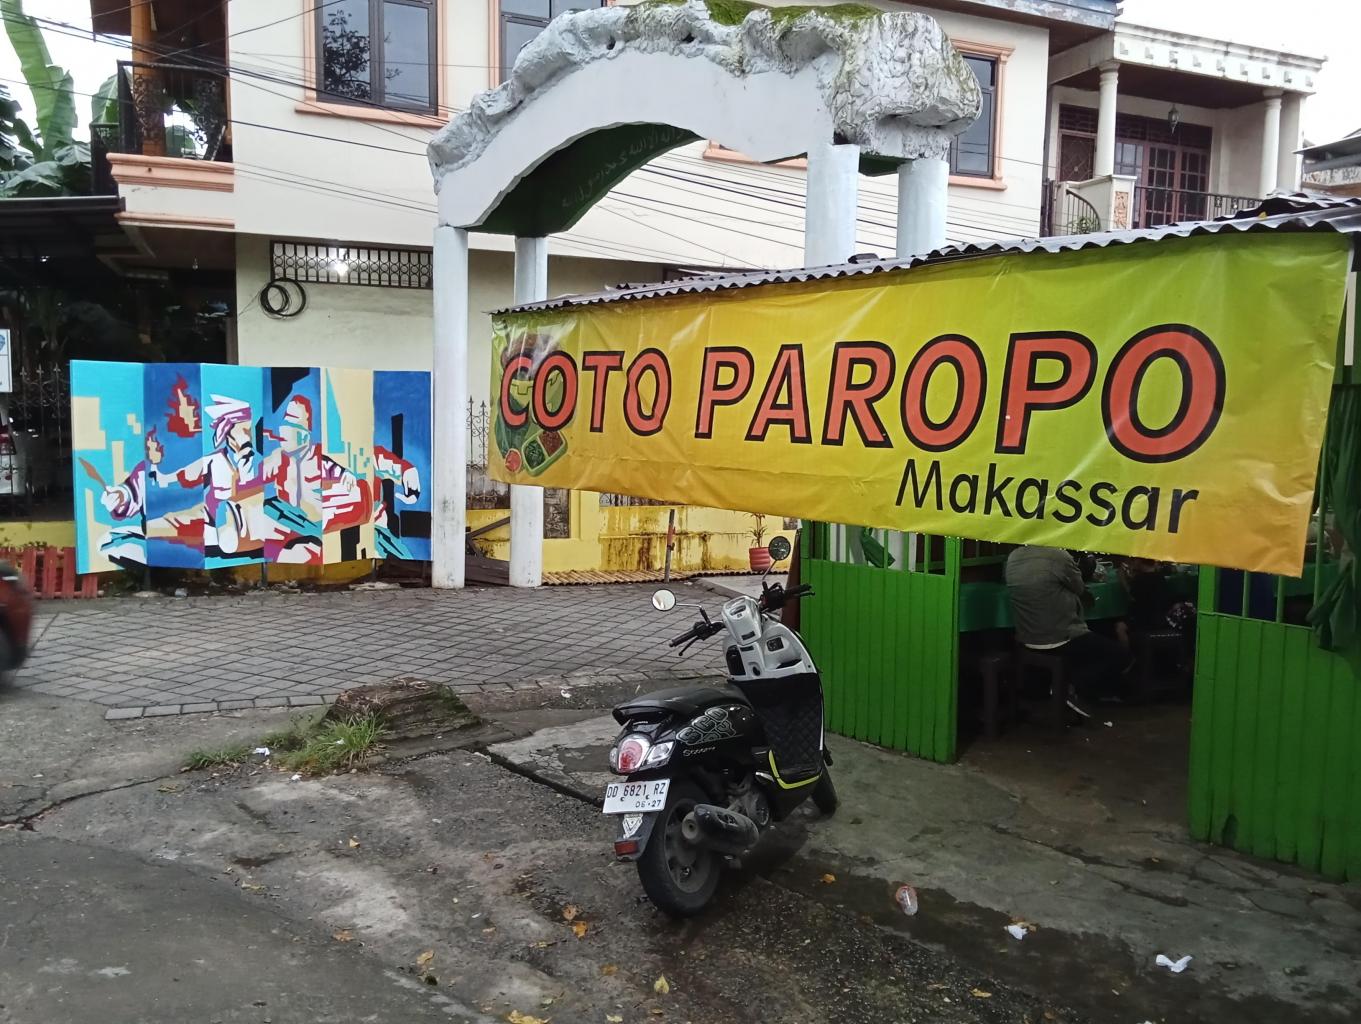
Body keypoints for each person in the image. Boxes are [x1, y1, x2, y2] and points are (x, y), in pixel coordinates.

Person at [1004, 545, 1128, 719]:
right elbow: (1079, 587)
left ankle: (1068, 687)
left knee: (1094, 645)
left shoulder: (1013, 557)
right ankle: (1070, 688)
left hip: (1027, 637)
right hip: (1061, 637)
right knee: (1121, 655)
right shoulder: (1058, 556)